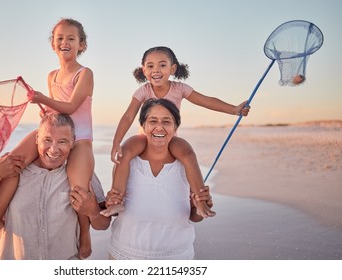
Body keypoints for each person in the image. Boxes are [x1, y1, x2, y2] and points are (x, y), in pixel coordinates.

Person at [0, 18, 96, 259]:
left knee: (80, 188)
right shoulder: (52, 75)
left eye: (71, 38)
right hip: (58, 131)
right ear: (53, 45)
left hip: (79, 138)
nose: (65, 42)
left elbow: (70, 107)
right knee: (14, 162)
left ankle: (84, 234)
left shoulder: (85, 73)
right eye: (60, 38)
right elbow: (57, 112)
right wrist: (46, 111)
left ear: (82, 45)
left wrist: (41, 99)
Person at [101, 46, 250, 217]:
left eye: (162, 65)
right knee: (125, 151)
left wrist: (234, 110)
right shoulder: (143, 91)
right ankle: (116, 200)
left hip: (170, 137)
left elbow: (206, 101)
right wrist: (116, 142)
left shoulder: (179, 88)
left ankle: (200, 202)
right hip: (146, 136)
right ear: (143, 70)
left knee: (187, 153)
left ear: (173, 68)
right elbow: (128, 116)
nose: (156, 70)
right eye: (150, 66)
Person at [0, 113, 110, 260]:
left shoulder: (82, 174)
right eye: (47, 140)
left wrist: (93, 212)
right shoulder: (9, 168)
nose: (54, 149)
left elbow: (104, 224)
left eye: (62, 142)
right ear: (37, 139)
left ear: (73, 142)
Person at [107, 98, 212, 259]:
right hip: (124, 256)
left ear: (175, 127)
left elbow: (194, 216)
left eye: (166, 122)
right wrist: (112, 202)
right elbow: (114, 212)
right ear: (143, 125)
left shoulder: (185, 162)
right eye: (153, 121)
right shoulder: (128, 159)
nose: (159, 127)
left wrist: (200, 209)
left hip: (176, 258)